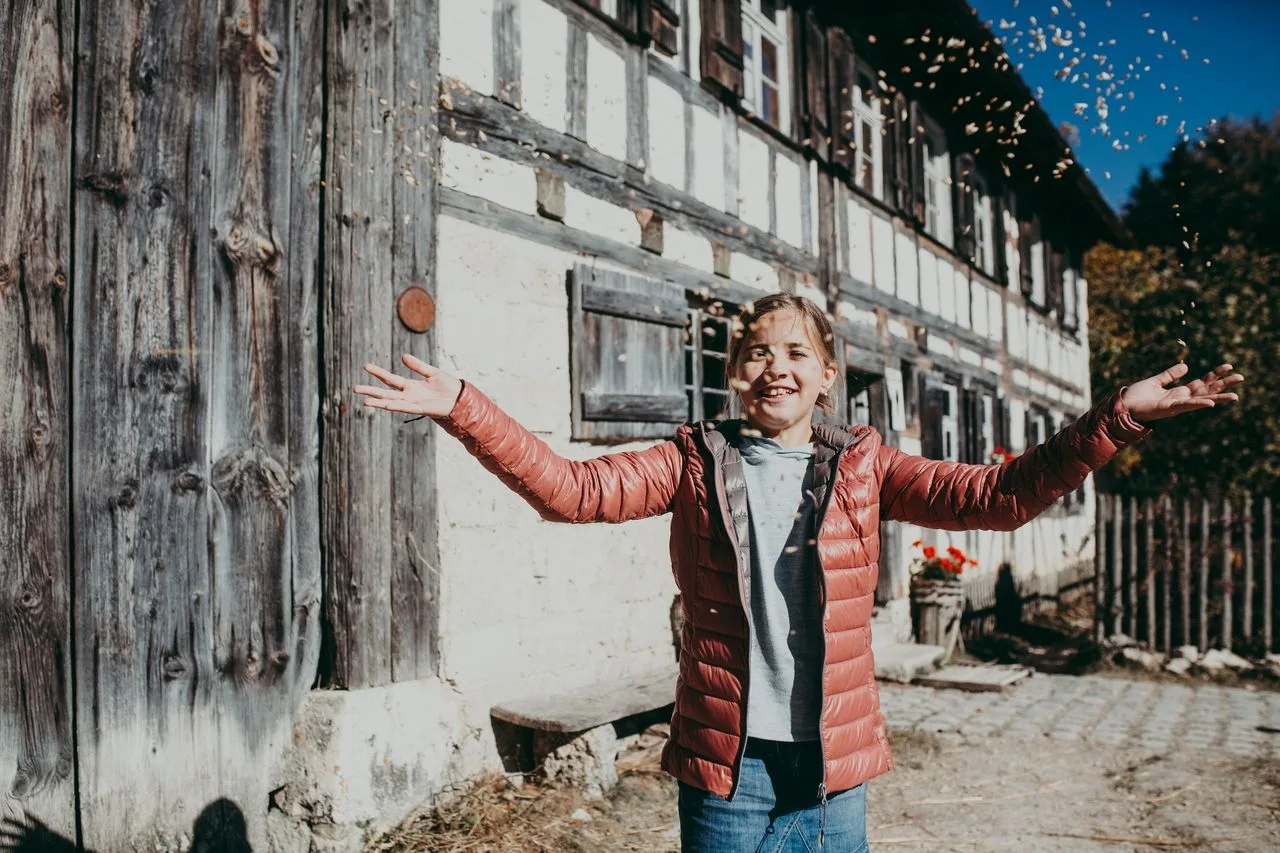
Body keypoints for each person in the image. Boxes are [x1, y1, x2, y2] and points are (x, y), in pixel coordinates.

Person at [353, 293, 1242, 852]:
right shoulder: (691, 461)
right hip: (727, 767)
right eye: (756, 350)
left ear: (824, 377)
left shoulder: (866, 465)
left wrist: (1116, 418)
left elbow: (998, 494)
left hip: (830, 770)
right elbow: (571, 490)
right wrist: (462, 409)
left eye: (794, 352)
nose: (772, 364)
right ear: (738, 373)